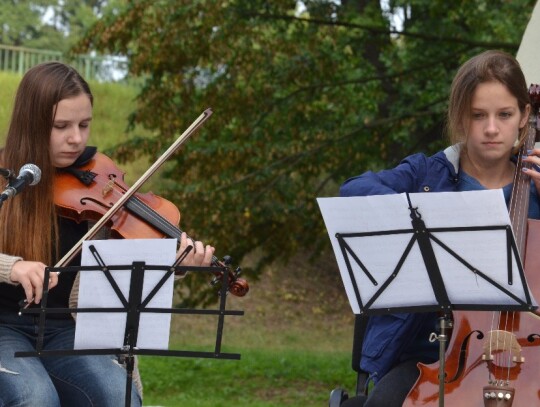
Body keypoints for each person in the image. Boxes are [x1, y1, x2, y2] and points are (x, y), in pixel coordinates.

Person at [0, 62, 215, 406]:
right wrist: (12, 267)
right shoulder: (5, 182)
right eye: (61, 126)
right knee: (35, 399)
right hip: (4, 328)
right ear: (31, 123)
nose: (77, 139)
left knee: (117, 396)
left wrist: (173, 260)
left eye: (84, 125)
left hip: (65, 329)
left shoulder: (96, 181)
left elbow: (128, 266)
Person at [338, 50, 540, 406]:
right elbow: (354, 191)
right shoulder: (428, 175)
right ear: (461, 117)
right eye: (478, 116)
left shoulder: (536, 188)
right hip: (428, 356)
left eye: (504, 114)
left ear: (525, 116)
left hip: (527, 355)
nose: (491, 128)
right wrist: (426, 211)